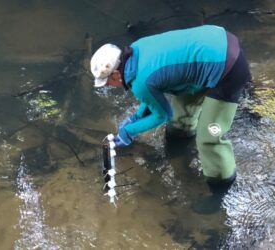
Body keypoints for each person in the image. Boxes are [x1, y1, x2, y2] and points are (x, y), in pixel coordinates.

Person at [90, 25, 251, 189]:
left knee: (208, 136)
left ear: (116, 74)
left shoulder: (141, 82)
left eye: (107, 82)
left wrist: (129, 131)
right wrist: (136, 117)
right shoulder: (135, 49)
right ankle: (181, 143)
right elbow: (151, 93)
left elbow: (162, 115)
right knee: (180, 115)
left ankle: (222, 185)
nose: (108, 86)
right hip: (217, 41)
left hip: (229, 68)